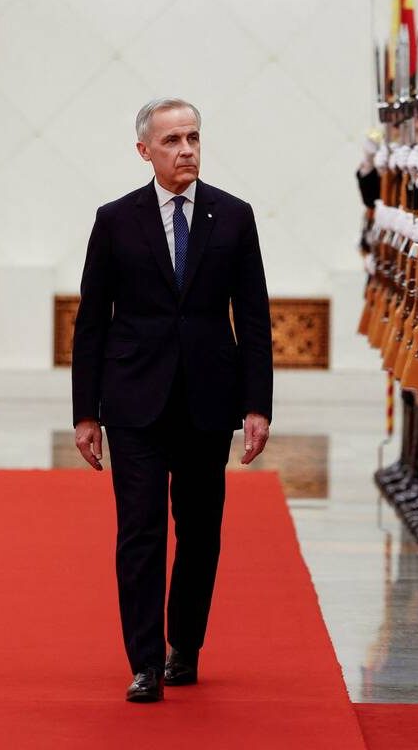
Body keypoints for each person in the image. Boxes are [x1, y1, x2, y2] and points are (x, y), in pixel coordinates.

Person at [71, 97, 273, 703]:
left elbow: (254, 317)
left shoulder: (233, 216)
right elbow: (92, 321)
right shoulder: (116, 219)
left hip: (208, 400)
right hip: (134, 400)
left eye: (193, 138)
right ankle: (144, 662)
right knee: (140, 532)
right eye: (171, 141)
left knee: (200, 532)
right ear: (144, 151)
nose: (186, 150)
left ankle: (184, 645)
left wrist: (257, 405)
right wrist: (86, 413)